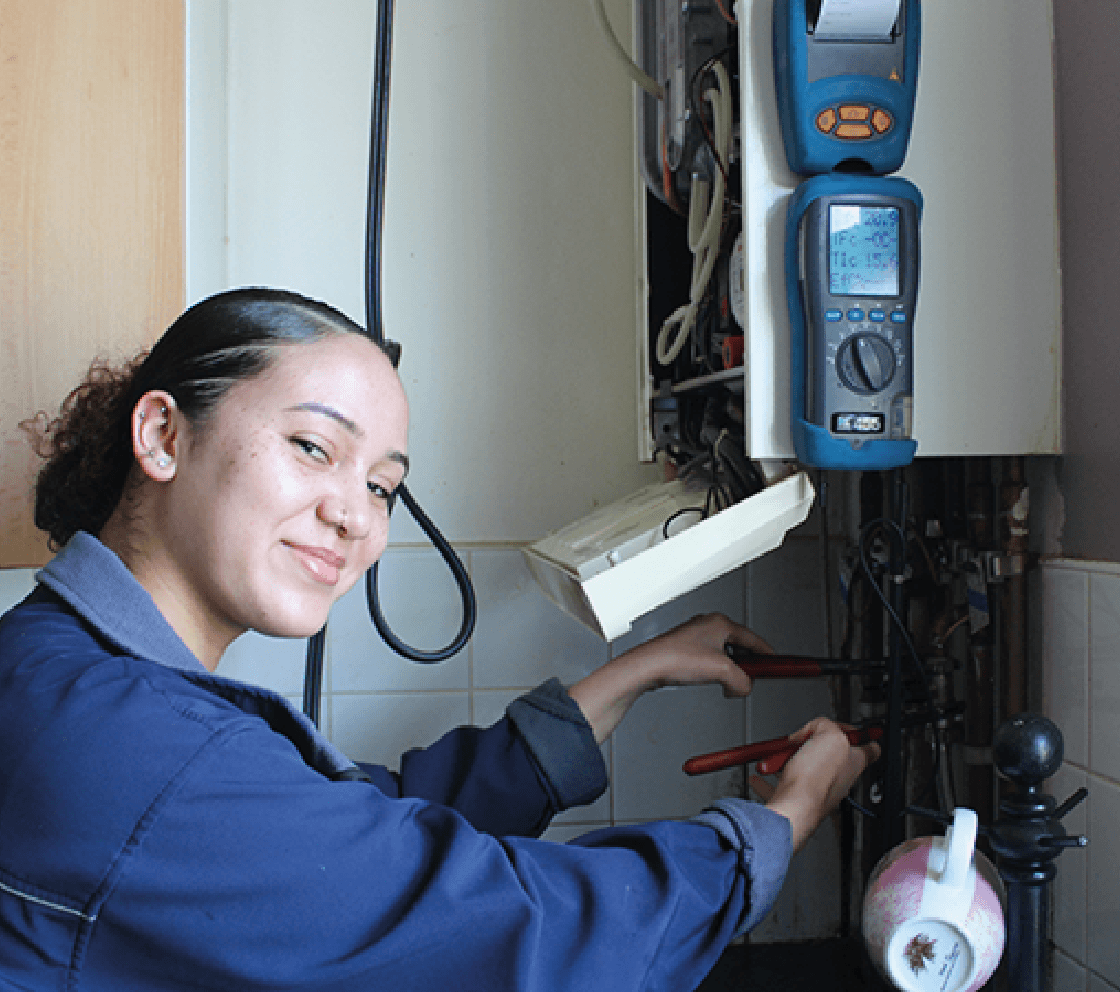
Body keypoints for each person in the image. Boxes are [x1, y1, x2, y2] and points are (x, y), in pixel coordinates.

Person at [0, 288, 878, 991]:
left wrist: (633, 673)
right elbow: (505, 928)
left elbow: (351, 827)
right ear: (162, 435)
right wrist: (782, 820)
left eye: (383, 487)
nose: (355, 516)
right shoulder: (131, 748)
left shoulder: (56, 669)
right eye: (313, 446)